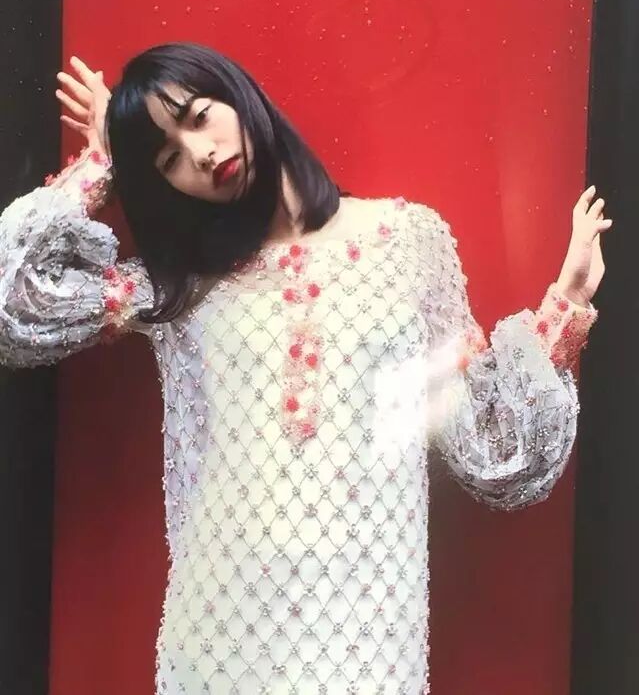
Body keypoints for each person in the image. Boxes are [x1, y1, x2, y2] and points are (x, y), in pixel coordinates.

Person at [0, 43, 611, 695]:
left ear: (241, 96)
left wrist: (567, 303)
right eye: (167, 159)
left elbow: (488, 446)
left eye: (199, 116)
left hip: (368, 629)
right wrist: (102, 164)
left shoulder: (406, 241)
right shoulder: (180, 286)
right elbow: (16, 302)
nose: (200, 153)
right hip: (221, 634)